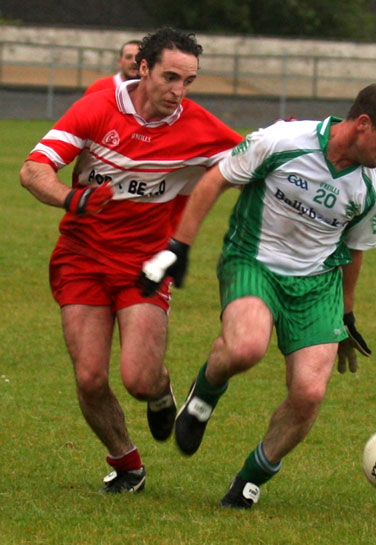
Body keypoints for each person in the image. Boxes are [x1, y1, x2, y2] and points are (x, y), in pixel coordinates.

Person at [139, 82, 376, 508]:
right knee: (247, 348)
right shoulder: (284, 140)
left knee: (309, 393)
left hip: (317, 283)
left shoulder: (372, 188)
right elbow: (216, 178)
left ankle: (250, 480)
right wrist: (180, 246)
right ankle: (205, 393)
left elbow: (355, 252)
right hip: (254, 260)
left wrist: (347, 315)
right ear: (363, 124)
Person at [19, 27, 243, 494]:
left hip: (145, 262)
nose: (178, 92)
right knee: (90, 376)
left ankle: (160, 392)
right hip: (80, 256)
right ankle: (127, 465)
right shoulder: (97, 108)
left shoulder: (197, 125)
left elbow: (252, 162)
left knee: (139, 379)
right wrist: (71, 199)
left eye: (189, 81)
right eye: (170, 77)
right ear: (143, 68)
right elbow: (33, 169)